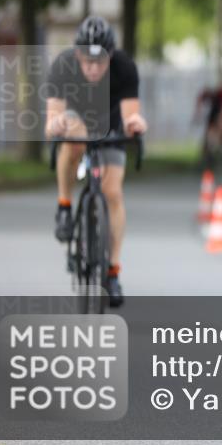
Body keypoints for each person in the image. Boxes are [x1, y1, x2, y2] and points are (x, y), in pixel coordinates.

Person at [44, 16, 147, 308]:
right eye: (86, 61)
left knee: (113, 192)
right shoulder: (63, 67)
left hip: (110, 126)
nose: (92, 68)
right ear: (77, 55)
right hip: (75, 122)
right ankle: (65, 206)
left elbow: (130, 116)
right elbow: (51, 119)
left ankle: (112, 271)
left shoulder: (125, 68)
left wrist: (135, 123)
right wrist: (56, 124)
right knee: (72, 138)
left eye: (99, 62)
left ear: (110, 57)